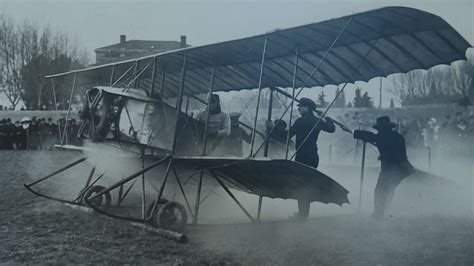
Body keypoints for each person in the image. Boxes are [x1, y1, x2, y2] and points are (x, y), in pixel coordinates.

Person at [267, 97, 336, 219]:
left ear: (307, 107)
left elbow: (286, 135)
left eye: (301, 107)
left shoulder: (300, 121)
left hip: (302, 156)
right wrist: (326, 116)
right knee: (306, 185)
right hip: (314, 156)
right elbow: (331, 129)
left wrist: (272, 127)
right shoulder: (317, 121)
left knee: (301, 186)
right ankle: (303, 214)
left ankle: (302, 214)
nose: (299, 109)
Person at [353, 116, 415, 219]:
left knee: (380, 190)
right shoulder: (398, 136)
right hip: (404, 168)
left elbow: (368, 136)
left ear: (381, 129)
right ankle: (382, 211)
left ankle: (378, 213)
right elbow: (393, 150)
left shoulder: (381, 137)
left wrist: (351, 131)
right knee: (389, 189)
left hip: (391, 168)